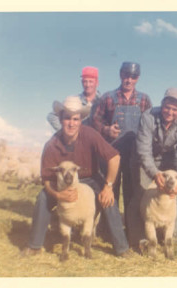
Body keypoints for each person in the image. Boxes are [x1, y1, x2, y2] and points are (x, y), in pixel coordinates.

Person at [22, 96, 130, 258]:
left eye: (75, 119)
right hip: (61, 183)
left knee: (108, 199)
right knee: (43, 198)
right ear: (60, 119)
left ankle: (122, 248)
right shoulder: (52, 145)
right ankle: (35, 245)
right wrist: (58, 195)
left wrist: (108, 187)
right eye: (67, 118)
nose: (71, 123)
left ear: (81, 120)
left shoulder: (90, 135)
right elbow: (46, 179)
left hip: (91, 178)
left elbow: (114, 157)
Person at [125, 88, 177, 250]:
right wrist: (155, 174)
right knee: (141, 194)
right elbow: (144, 151)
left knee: (174, 195)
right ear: (162, 104)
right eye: (167, 107)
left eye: (175, 109)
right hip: (143, 159)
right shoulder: (148, 117)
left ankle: (171, 239)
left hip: (166, 160)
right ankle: (138, 239)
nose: (170, 112)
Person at [91, 62, 152, 214]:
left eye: (133, 77)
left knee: (132, 191)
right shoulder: (107, 97)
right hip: (112, 152)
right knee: (111, 187)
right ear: (120, 75)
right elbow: (95, 120)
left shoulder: (144, 99)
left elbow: (150, 125)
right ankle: (109, 229)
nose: (129, 80)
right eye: (126, 76)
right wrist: (106, 129)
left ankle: (132, 231)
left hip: (135, 153)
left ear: (137, 78)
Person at [47, 66, 101, 130]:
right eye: (85, 81)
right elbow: (51, 116)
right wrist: (66, 132)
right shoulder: (74, 101)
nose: (87, 85)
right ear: (81, 82)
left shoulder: (104, 101)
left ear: (97, 83)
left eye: (91, 81)